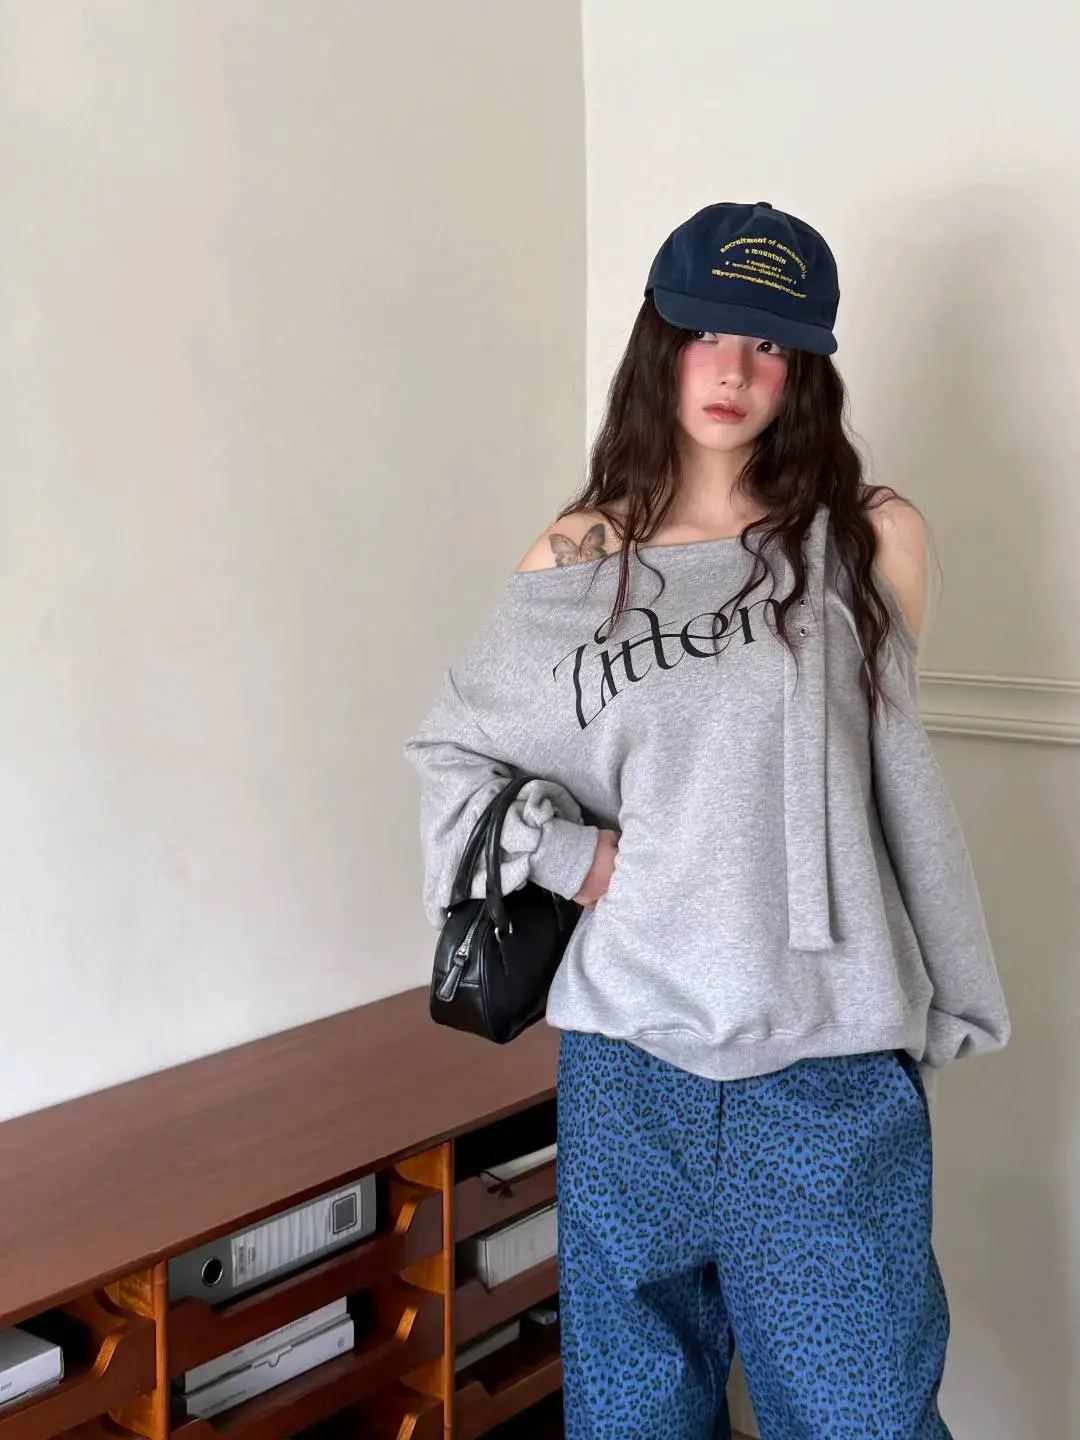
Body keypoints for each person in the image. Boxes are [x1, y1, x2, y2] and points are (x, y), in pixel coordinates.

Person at [404, 201, 1011, 1440]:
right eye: (706, 334)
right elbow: (453, 753)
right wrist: (573, 857)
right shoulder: (577, 556)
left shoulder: (868, 538)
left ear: (806, 366)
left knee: (862, 1418)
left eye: (768, 343)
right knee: (631, 1418)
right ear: (659, 342)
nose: (732, 371)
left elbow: (888, 782)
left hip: (825, 1069)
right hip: (628, 1065)